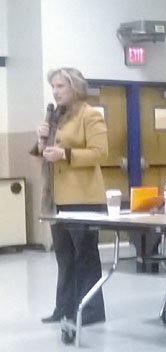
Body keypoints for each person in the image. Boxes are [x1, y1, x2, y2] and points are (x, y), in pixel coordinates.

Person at [30, 67, 109, 325]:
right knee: (64, 257)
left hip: (84, 198)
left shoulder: (90, 115)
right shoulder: (56, 118)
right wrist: (41, 141)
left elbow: (100, 152)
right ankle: (64, 308)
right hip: (57, 198)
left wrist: (66, 155)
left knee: (85, 256)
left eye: (60, 86)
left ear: (75, 88)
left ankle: (91, 311)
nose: (55, 91)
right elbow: (46, 153)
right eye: (53, 86)